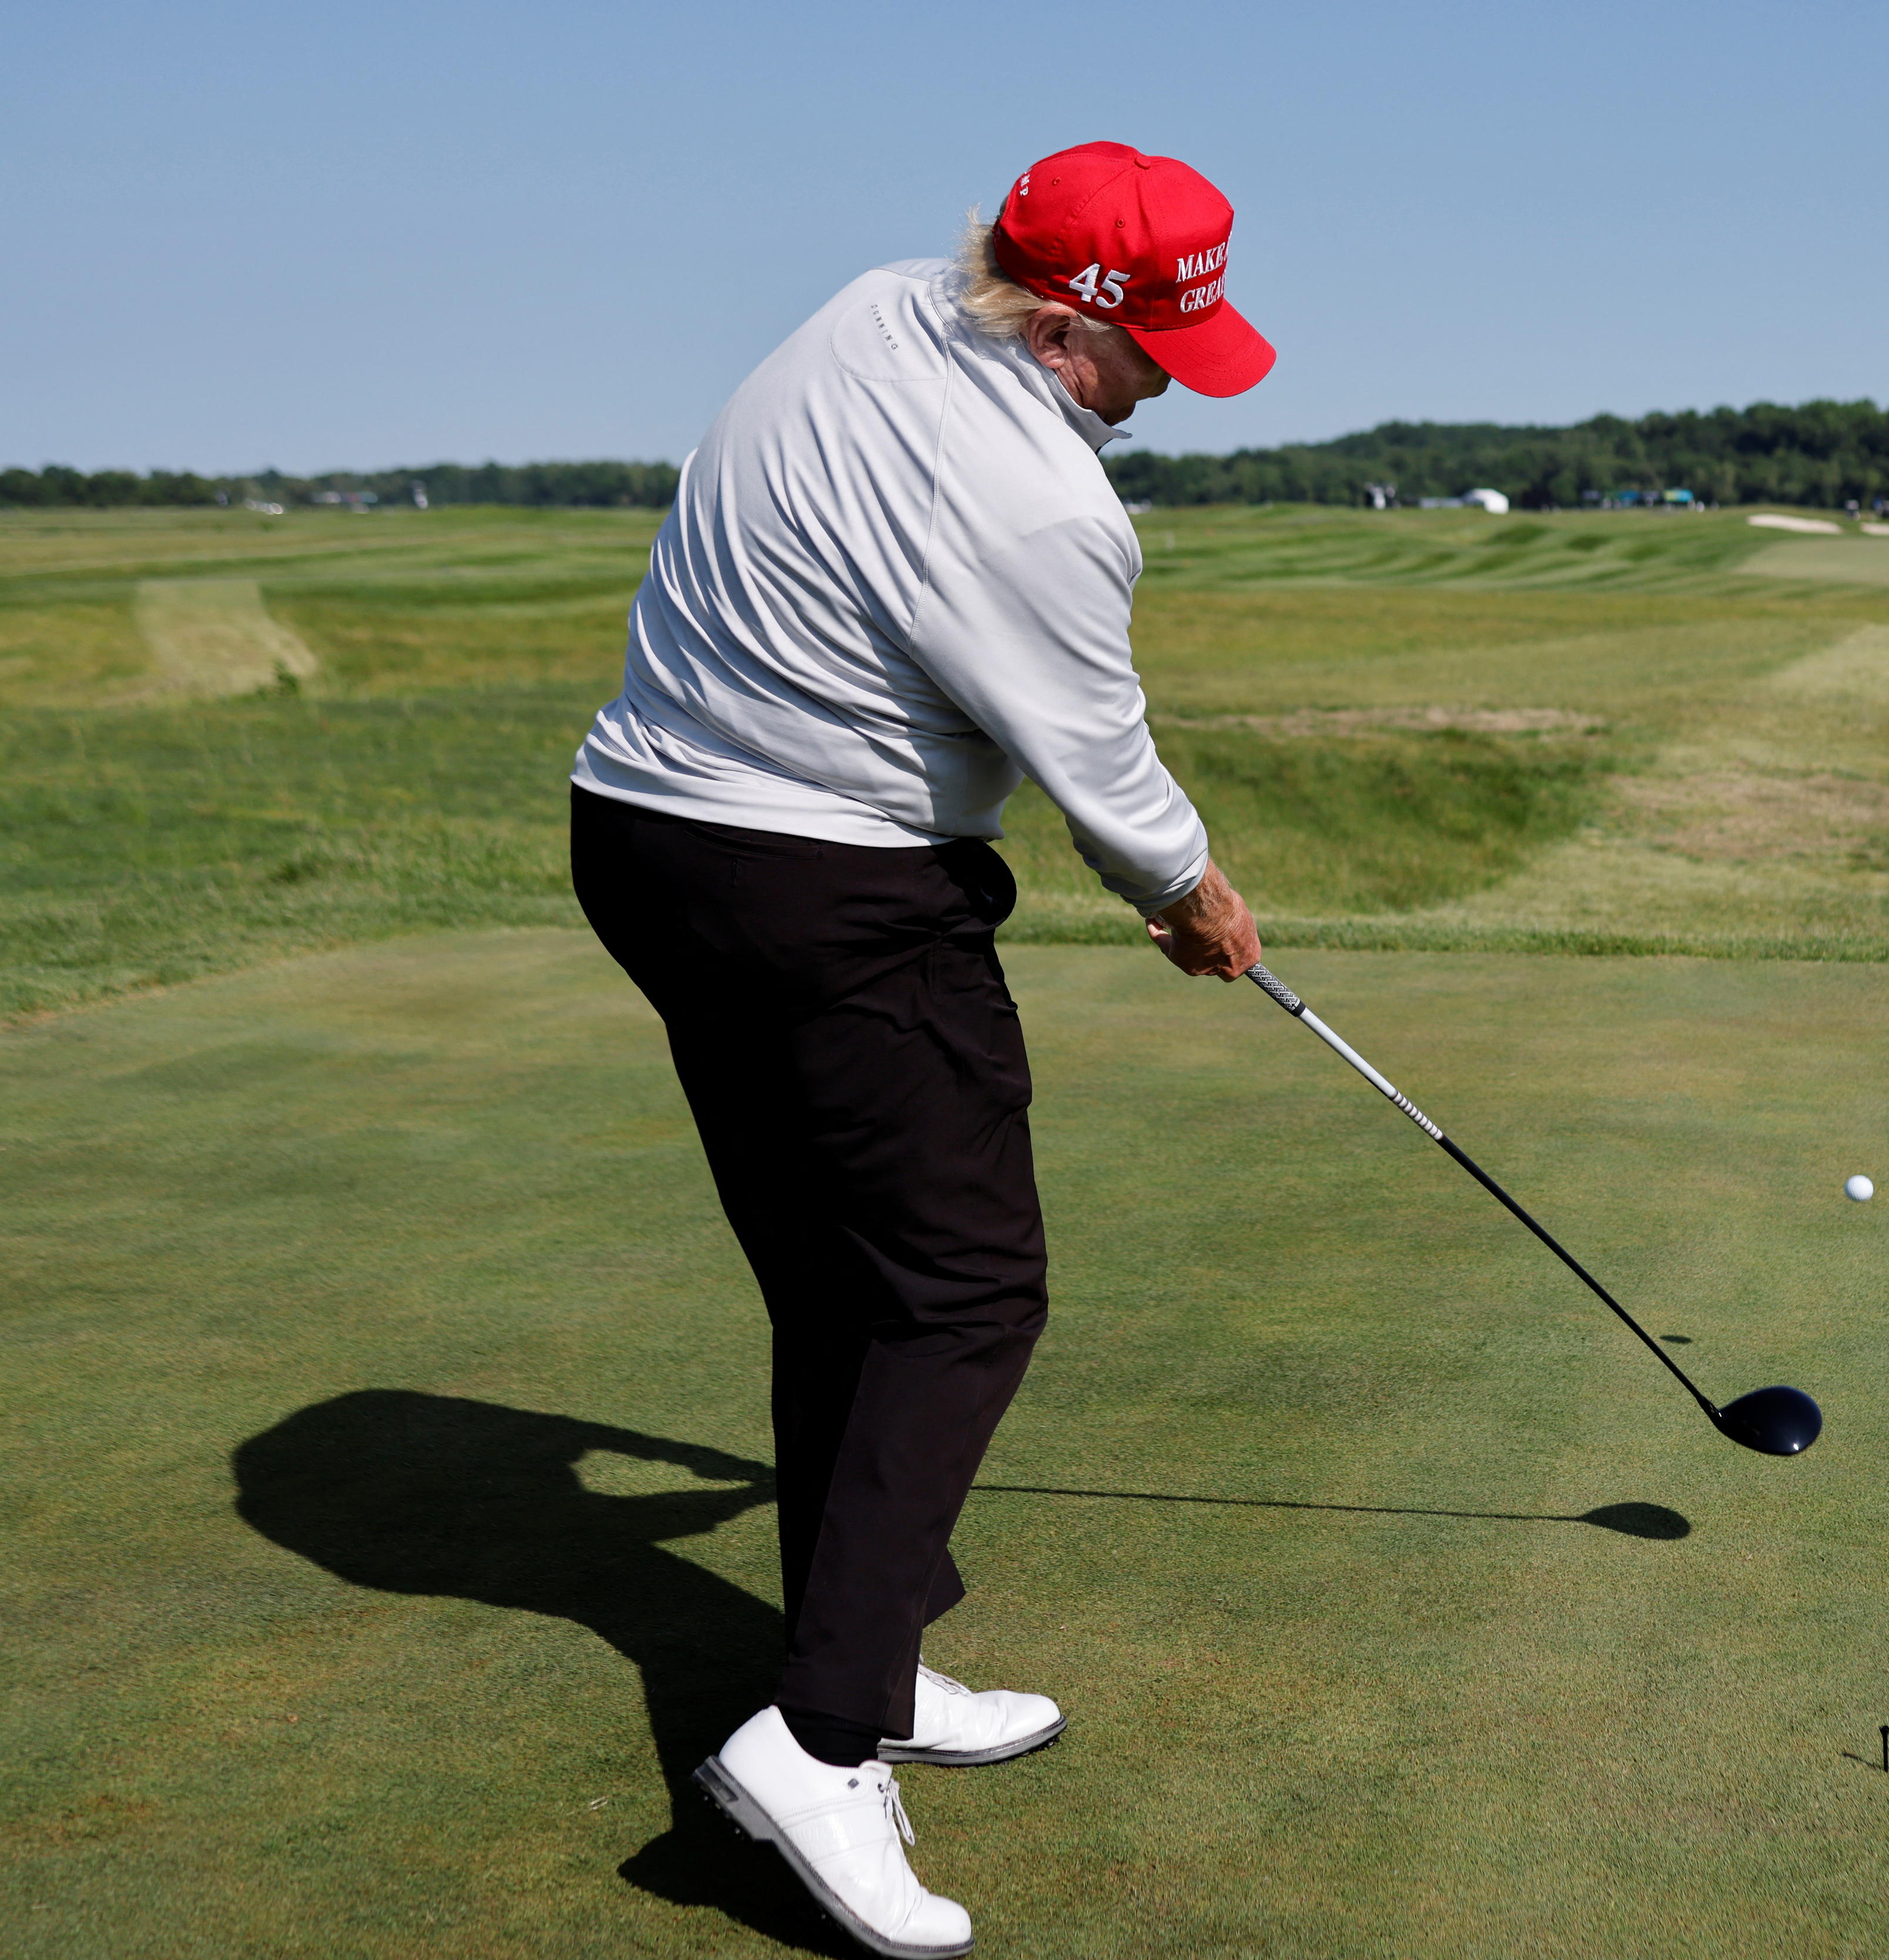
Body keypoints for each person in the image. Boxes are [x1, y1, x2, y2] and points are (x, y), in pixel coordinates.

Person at [565, 140, 1270, 1959]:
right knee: (961, 1292)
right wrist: (1190, 895)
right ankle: (814, 1747)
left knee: (844, 1284)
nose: (1164, 393)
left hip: (644, 838)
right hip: (825, 892)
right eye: (1151, 357)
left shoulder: (876, 304)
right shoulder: (1044, 504)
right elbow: (1097, 766)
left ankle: (863, 1664)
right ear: (1060, 327)